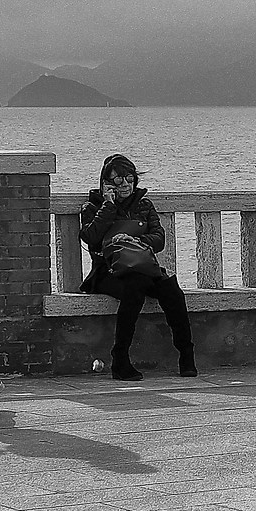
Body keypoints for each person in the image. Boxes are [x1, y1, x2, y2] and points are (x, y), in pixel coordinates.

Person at [79, 153, 196, 380]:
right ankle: (120, 359)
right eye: (118, 180)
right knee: (134, 290)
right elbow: (90, 238)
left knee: (171, 289)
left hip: (142, 265)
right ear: (106, 182)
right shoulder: (92, 206)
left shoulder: (143, 204)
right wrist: (109, 205)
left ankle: (186, 354)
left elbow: (159, 238)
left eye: (129, 179)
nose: (125, 185)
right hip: (108, 270)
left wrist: (135, 241)